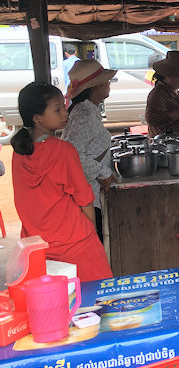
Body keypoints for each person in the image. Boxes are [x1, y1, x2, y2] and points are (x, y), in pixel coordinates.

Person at [11, 82, 113, 282]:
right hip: (76, 242)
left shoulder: (19, 152)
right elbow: (85, 200)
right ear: (37, 118)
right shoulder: (62, 150)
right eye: (57, 110)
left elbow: (23, 201)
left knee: (58, 303)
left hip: (38, 244)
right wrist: (91, 236)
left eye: (63, 106)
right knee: (98, 298)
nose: (65, 113)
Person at [62, 59, 118, 243]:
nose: (109, 84)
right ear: (95, 87)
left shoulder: (87, 110)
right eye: (105, 81)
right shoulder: (83, 114)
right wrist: (103, 173)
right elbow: (73, 154)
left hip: (91, 191)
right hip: (87, 196)